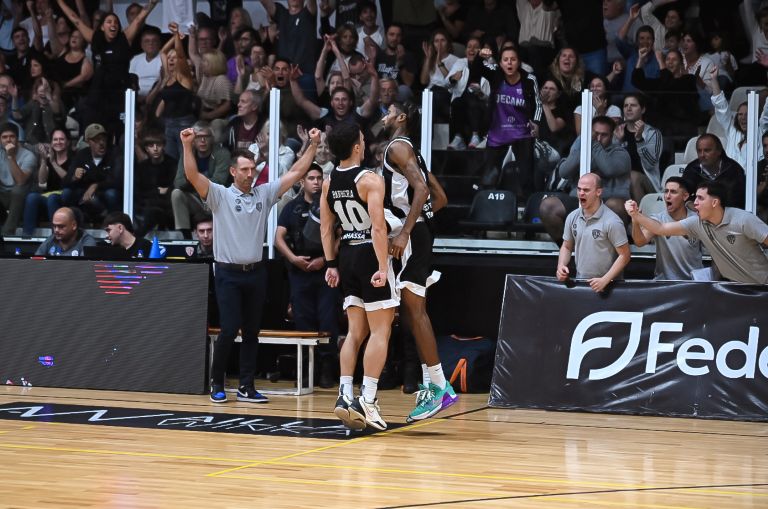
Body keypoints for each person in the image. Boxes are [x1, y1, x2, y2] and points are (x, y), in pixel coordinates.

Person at [179, 125, 321, 404]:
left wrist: (314, 145)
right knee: (230, 328)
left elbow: (296, 172)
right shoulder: (220, 194)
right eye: (244, 169)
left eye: (253, 169)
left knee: (252, 332)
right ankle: (217, 382)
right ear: (233, 171)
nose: (250, 173)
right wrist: (186, 145)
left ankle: (247, 386)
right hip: (228, 274)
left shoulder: (263, 194)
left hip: (256, 272)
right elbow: (193, 175)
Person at [380, 101, 457, 422]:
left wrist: (405, 231)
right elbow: (441, 198)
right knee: (412, 313)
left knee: (415, 310)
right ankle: (432, 383)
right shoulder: (414, 153)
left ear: (401, 118)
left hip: (411, 237)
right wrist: (417, 223)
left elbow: (423, 190)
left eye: (388, 111)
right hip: (418, 234)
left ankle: (439, 386)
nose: (383, 116)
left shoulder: (397, 147)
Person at [320, 122, 397, 431]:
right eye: (362, 140)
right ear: (355, 146)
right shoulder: (370, 180)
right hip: (368, 254)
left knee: (355, 332)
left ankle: (344, 394)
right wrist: (382, 267)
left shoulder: (328, 181)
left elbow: (326, 228)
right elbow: (378, 227)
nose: (365, 144)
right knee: (380, 331)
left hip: (347, 255)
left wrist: (330, 264)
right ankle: (367, 399)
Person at [625, 181, 768, 284]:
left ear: (714, 203)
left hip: (763, 285)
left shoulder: (744, 220)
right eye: (696, 198)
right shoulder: (696, 223)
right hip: (735, 286)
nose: (695, 203)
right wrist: (636, 215)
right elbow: (660, 228)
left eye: (700, 198)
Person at [275, 163, 340, 388]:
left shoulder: (330, 206)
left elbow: (340, 236)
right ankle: (305, 371)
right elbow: (278, 238)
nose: (316, 182)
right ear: (302, 182)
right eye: (311, 178)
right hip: (299, 271)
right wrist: (293, 259)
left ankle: (327, 371)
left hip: (325, 272)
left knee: (328, 320)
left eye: (319, 178)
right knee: (303, 322)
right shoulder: (291, 207)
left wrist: (326, 259)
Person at [540, 116, 631, 245]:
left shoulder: (620, 153)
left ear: (611, 136)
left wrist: (593, 144)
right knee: (548, 206)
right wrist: (584, 146)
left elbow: (608, 169)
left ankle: (609, 252)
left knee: (616, 205)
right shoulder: (582, 149)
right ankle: (569, 249)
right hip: (581, 201)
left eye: (604, 135)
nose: (598, 138)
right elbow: (563, 172)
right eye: (595, 134)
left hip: (607, 201)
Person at [473, 45, 542, 196]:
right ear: (500, 63)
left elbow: (538, 104)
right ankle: (487, 203)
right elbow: (476, 70)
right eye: (505, 60)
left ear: (519, 62)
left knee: (526, 176)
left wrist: (536, 123)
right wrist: (479, 56)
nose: (509, 63)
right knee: (489, 175)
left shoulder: (529, 79)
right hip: (498, 133)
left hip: (522, 133)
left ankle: (528, 205)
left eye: (513, 59)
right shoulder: (495, 75)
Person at [556, 173, 631, 293]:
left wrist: (605, 280)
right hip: (581, 284)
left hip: (610, 288)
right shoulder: (572, 217)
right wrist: (561, 266)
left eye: (586, 190)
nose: (581, 193)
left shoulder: (612, 221)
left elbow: (625, 255)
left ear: (598, 192)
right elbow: (566, 246)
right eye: (579, 189)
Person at [630, 177, 703, 280]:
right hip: (664, 282)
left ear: (685, 196)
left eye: (673, 192)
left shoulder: (697, 220)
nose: (668, 196)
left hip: (693, 281)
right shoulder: (657, 219)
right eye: (666, 191)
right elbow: (639, 242)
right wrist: (635, 221)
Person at [171, 121, 231, 236]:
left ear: (212, 139)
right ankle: (184, 236)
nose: (202, 140)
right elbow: (178, 182)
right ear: (193, 140)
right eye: (198, 137)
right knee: (176, 194)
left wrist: (192, 179)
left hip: (217, 200)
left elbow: (219, 181)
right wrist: (196, 181)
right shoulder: (187, 153)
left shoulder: (222, 153)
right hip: (196, 200)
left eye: (206, 137)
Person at [61, 123, 120, 222]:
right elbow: (64, 182)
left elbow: (117, 180)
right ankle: (72, 222)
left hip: (103, 192)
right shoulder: (82, 155)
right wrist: (74, 177)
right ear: (88, 141)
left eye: (103, 139)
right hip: (84, 194)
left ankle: (114, 222)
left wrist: (96, 185)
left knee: (112, 194)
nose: (101, 143)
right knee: (67, 193)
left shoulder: (113, 154)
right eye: (96, 140)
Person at [682, 134, 746, 210]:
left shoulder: (734, 170)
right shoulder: (692, 169)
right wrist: (689, 202)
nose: (702, 155)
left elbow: (736, 201)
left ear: (719, 151)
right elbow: (682, 193)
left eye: (707, 150)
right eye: (699, 151)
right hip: (699, 214)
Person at [0, 121, 36, 235]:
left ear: (17, 139)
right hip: (3, 195)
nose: (8, 140)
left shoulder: (28, 155)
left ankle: (7, 233)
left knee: (17, 190)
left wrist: (11, 156)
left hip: (21, 195)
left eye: (12, 136)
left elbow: (20, 181)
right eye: (4, 137)